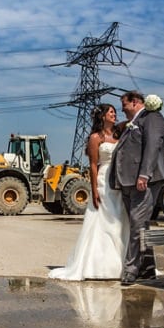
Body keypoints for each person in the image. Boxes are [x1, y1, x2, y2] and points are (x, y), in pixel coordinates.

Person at [49, 104, 130, 280]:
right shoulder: (95, 138)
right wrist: (94, 189)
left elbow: (132, 121)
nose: (114, 114)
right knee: (103, 220)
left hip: (118, 179)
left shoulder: (118, 134)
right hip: (103, 179)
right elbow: (93, 165)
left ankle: (120, 262)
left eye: (115, 112)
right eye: (111, 112)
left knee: (119, 220)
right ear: (102, 116)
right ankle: (98, 264)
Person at [109, 91, 164, 285]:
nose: (122, 109)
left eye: (124, 104)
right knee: (140, 225)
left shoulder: (151, 118)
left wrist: (145, 174)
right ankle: (148, 267)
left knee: (137, 223)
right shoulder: (134, 122)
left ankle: (131, 269)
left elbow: (152, 146)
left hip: (144, 181)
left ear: (135, 102)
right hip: (128, 182)